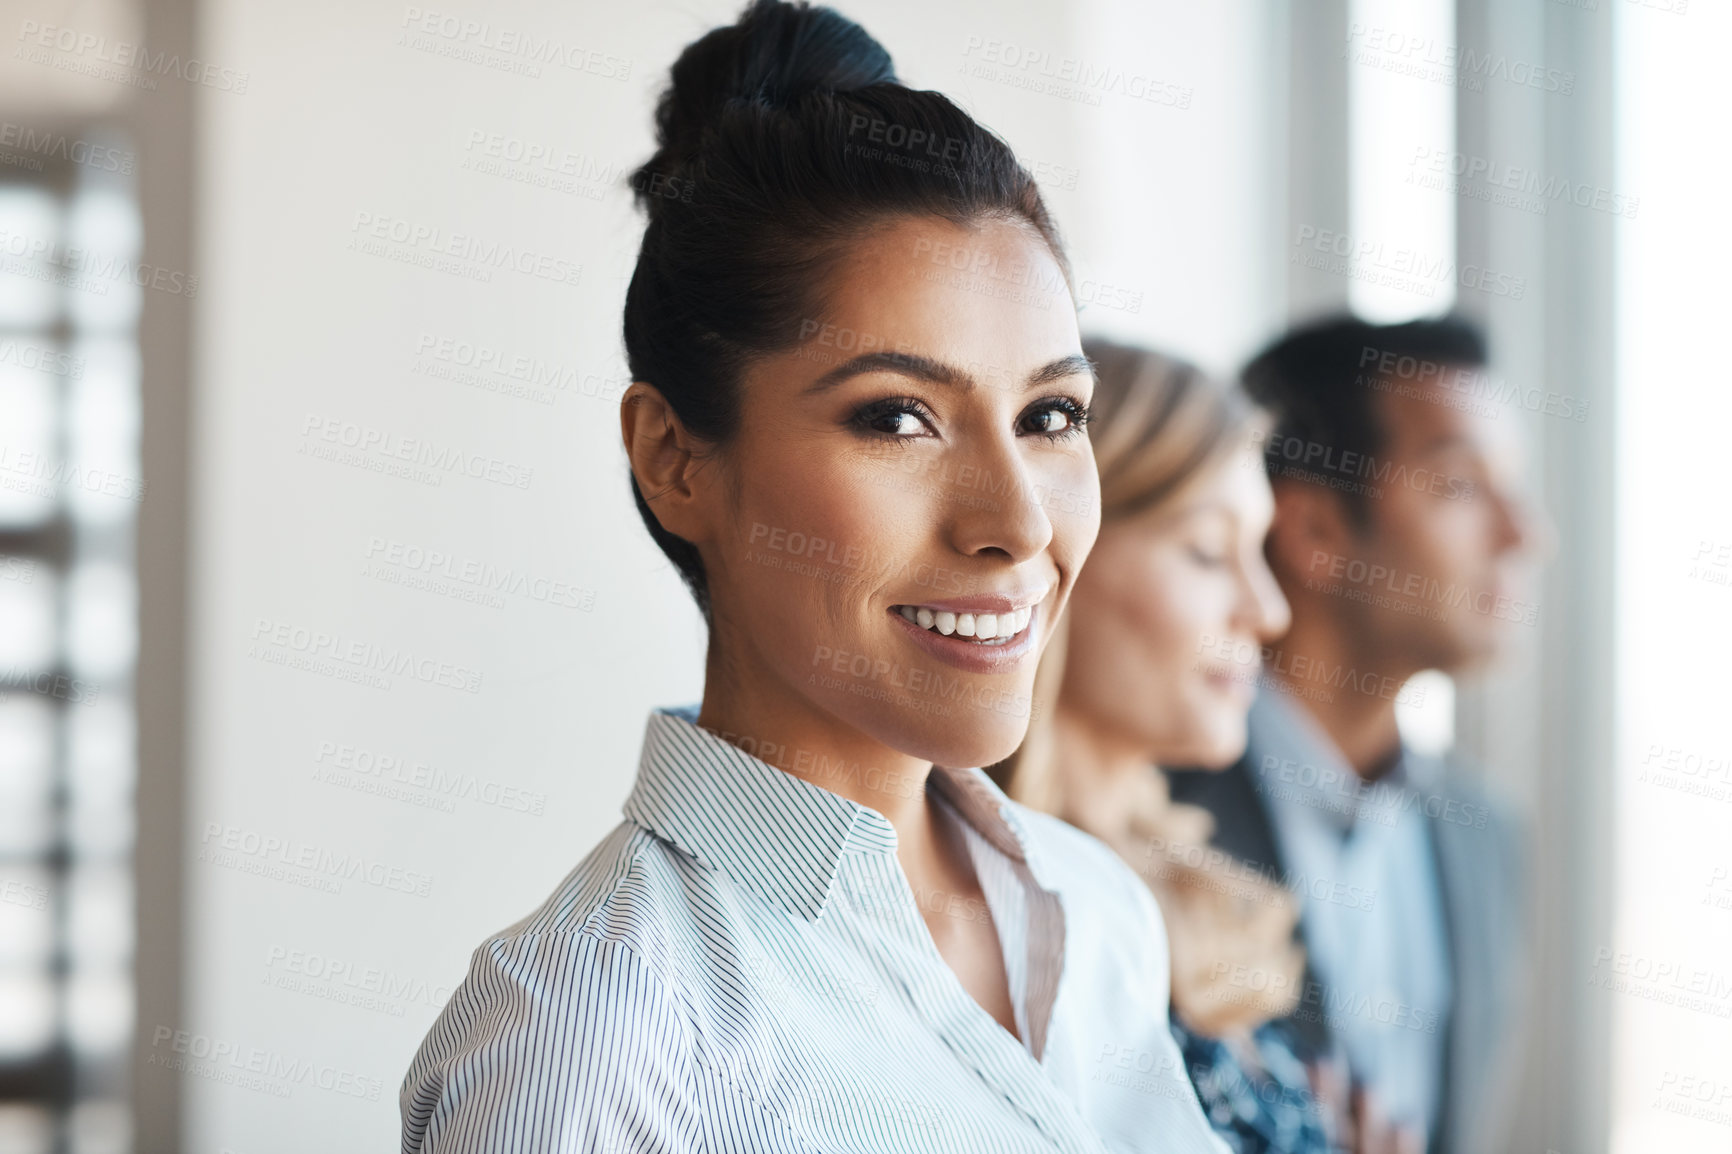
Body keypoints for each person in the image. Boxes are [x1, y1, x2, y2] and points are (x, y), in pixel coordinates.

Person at [400, 2, 1229, 1151]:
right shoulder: (598, 1038)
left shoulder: (1096, 914)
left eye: (1050, 414)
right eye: (898, 416)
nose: (1016, 520)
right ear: (674, 458)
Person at [1166, 315, 1538, 1154]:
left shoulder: (1489, 836)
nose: (1524, 536)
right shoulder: (1136, 807)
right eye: (1462, 486)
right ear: (1314, 532)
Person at [990, 340, 1334, 1154]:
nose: (1269, 610)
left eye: (1260, 553)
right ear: (1061, 550)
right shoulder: (980, 919)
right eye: (1211, 553)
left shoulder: (1197, 881)